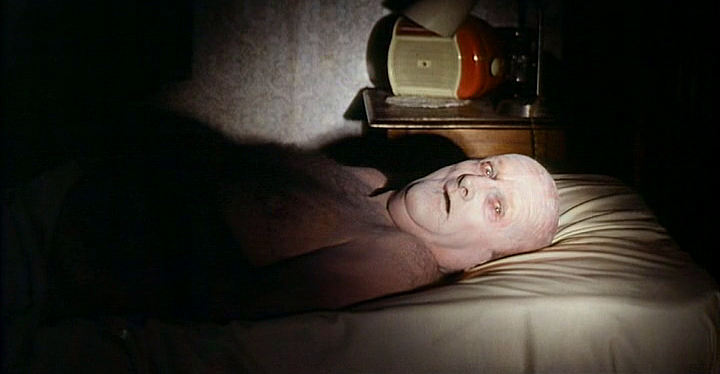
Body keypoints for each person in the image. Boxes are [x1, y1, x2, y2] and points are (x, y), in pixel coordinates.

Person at [46, 142, 559, 321]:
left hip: (54, 258)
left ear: (484, 259)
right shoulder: (372, 179)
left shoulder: (404, 259)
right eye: (488, 169)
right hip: (59, 188)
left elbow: (224, 309)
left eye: (496, 206)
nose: (471, 181)